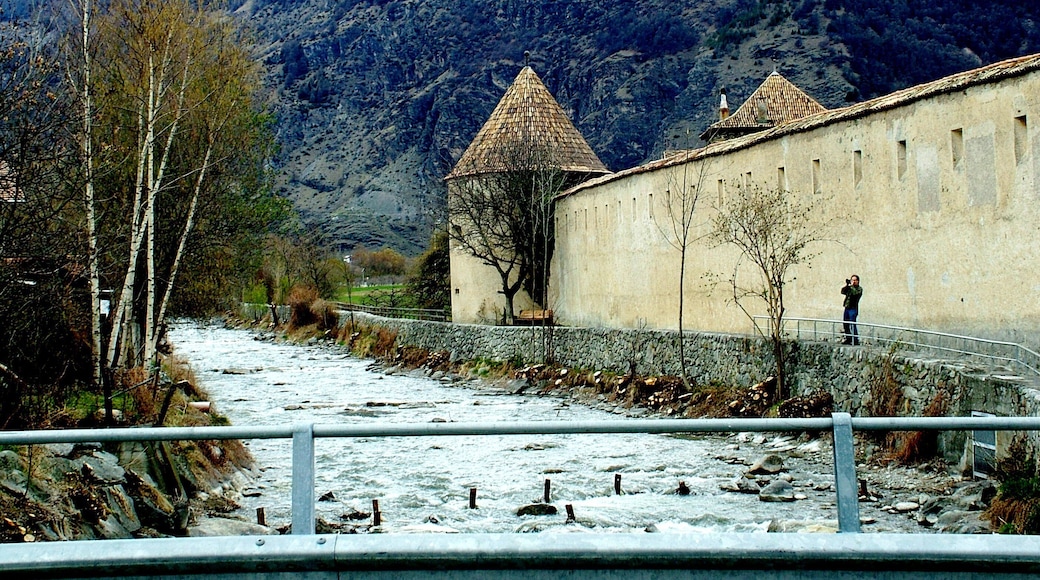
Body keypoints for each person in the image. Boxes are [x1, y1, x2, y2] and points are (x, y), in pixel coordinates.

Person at [841, 275, 862, 345]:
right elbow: (843, 291)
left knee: (852, 324)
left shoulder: (859, 289)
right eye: (852, 280)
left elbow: (854, 293)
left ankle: (855, 340)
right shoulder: (849, 288)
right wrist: (847, 285)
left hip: (853, 309)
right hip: (847, 308)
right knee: (845, 324)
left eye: (855, 280)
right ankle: (848, 338)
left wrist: (851, 286)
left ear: (858, 281)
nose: (854, 281)